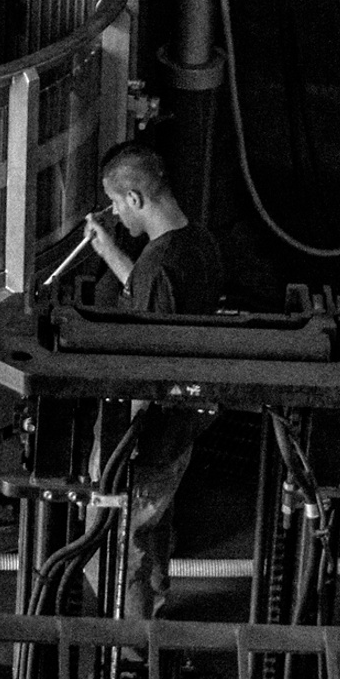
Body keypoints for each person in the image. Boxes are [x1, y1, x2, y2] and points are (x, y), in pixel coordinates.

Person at [82, 140, 226, 619]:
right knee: (151, 533)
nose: (116, 216)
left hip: (144, 441)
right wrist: (111, 253)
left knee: (117, 552)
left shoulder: (158, 269)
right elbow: (156, 303)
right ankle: (151, 637)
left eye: (117, 203)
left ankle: (128, 660)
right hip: (180, 431)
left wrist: (117, 454)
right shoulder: (195, 244)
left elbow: (148, 375)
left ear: (137, 199)